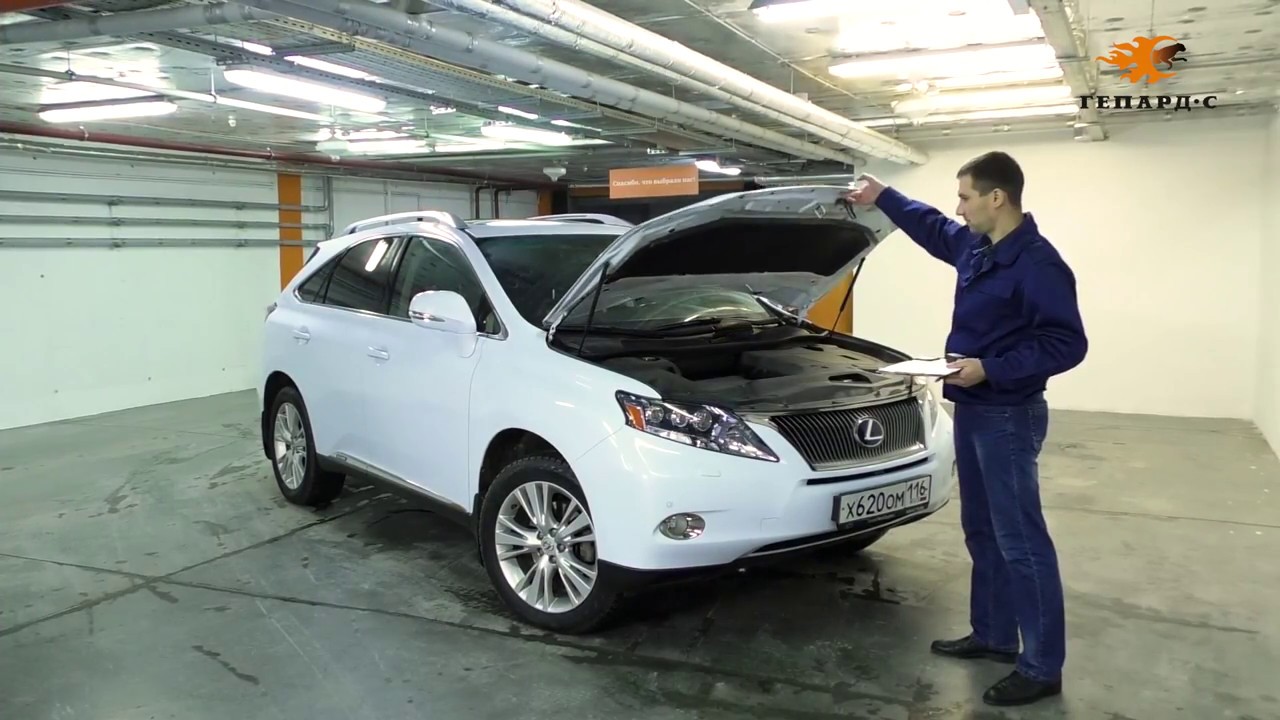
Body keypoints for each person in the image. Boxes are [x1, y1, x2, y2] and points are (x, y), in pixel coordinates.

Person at [843, 151, 1088, 707]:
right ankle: (995, 634)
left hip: (1009, 414)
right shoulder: (979, 248)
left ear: (996, 198)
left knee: (1020, 540)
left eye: (965, 197)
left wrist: (992, 369)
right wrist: (883, 196)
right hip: (973, 407)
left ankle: (1042, 665)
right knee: (982, 529)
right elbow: (933, 228)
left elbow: (1066, 343)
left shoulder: (1038, 264)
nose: (959, 208)